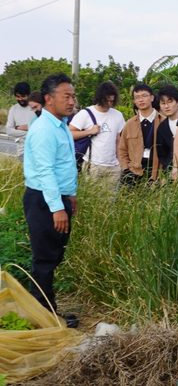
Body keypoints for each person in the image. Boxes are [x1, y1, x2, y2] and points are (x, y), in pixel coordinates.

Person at [23, 73, 78, 324]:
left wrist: (71, 197)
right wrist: (57, 208)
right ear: (48, 99)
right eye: (66, 96)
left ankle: (46, 309)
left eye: (73, 96)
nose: (72, 101)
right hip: (44, 200)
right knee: (44, 259)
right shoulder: (44, 129)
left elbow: (64, 166)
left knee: (53, 255)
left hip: (58, 198)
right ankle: (45, 318)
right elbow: (45, 171)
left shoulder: (61, 124)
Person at [69, 81, 125, 186]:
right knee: (93, 200)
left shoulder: (118, 115)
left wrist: (121, 163)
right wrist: (89, 131)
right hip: (92, 164)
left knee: (111, 201)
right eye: (107, 101)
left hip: (114, 167)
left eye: (112, 101)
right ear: (100, 98)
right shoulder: (85, 113)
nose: (109, 104)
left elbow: (119, 140)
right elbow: (68, 134)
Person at [118, 84, 161, 183]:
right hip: (133, 173)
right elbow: (122, 149)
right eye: (137, 97)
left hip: (156, 174)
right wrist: (126, 169)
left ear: (152, 98)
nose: (141, 100)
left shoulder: (163, 121)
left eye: (144, 96)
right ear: (134, 101)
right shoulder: (129, 124)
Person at [156, 84, 178, 171]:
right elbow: (162, 153)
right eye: (163, 103)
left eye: (170, 102)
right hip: (172, 173)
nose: (166, 106)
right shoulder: (162, 128)